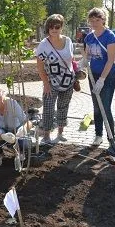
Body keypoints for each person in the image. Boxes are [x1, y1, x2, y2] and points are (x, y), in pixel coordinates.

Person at [36, 14, 75, 143]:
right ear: (47, 28)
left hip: (68, 81)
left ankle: (60, 133)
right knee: (48, 108)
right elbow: (40, 67)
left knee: (63, 107)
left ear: (61, 27)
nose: (54, 29)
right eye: (51, 27)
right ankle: (46, 135)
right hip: (51, 82)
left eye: (57, 26)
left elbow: (71, 60)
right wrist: (45, 83)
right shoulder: (44, 45)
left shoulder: (68, 41)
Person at [82, 7, 115, 146]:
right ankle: (98, 135)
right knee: (96, 106)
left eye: (98, 20)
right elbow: (87, 56)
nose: (95, 23)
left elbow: (110, 60)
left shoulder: (109, 36)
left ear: (103, 20)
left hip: (107, 76)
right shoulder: (89, 37)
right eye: (92, 20)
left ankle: (111, 137)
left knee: (105, 107)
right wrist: (82, 62)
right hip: (93, 75)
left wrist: (102, 80)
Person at [0, 80, 33, 166]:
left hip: (16, 131)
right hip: (1, 134)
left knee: (26, 143)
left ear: (2, 92)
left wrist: (23, 129)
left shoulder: (12, 103)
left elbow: (28, 122)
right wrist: (3, 136)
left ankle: (20, 151)